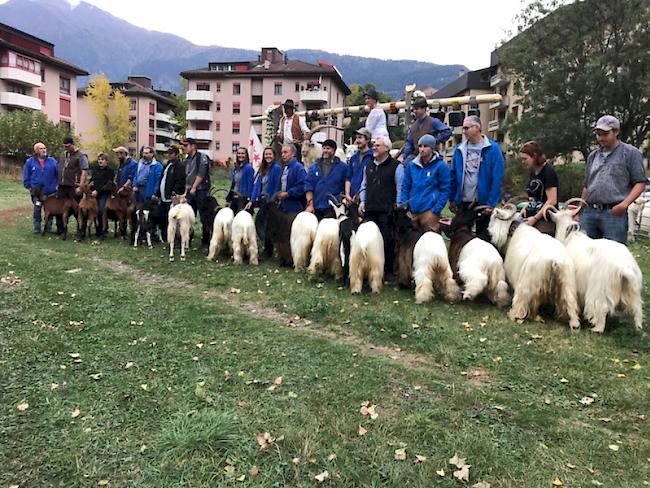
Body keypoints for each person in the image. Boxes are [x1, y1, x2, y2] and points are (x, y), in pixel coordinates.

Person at [580, 115, 648, 244]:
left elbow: (640, 183)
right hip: (590, 212)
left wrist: (624, 205)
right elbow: (587, 185)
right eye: (598, 134)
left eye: (605, 134)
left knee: (614, 255)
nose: (601, 138)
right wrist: (580, 209)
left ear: (616, 132)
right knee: (587, 254)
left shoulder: (630, 153)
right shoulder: (593, 156)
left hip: (614, 213)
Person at [449, 115, 504, 236]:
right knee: (460, 235)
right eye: (463, 128)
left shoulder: (493, 149)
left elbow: (497, 178)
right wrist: (452, 198)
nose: (464, 132)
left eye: (466, 128)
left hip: (483, 203)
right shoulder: (460, 149)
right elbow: (453, 174)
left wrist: (491, 203)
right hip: (463, 202)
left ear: (477, 128)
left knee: (483, 237)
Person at [359, 135, 404, 276]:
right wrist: (362, 201)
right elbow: (364, 186)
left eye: (377, 145)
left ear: (386, 148)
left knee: (387, 241)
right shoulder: (369, 166)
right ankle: (369, 269)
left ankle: (387, 271)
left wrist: (398, 206)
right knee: (370, 240)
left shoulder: (397, 167)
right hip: (370, 210)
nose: (374, 147)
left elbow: (400, 187)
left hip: (387, 211)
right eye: (374, 145)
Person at [400, 134, 451, 232]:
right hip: (412, 212)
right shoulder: (411, 166)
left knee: (430, 243)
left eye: (425, 146)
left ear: (432, 148)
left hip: (429, 212)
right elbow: (405, 187)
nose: (422, 149)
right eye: (420, 146)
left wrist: (436, 209)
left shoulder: (441, 166)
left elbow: (445, 189)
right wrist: (405, 208)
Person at [399, 97, 452, 164]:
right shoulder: (413, 126)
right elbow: (409, 143)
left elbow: (447, 131)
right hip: (416, 158)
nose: (415, 111)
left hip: (431, 158)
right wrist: (403, 156)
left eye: (417, 109)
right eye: (414, 109)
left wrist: (434, 140)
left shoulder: (433, 122)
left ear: (424, 109)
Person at [250, 147, 283, 257]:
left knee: (268, 225)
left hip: (271, 201)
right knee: (260, 223)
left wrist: (273, 199)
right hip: (263, 200)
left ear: (274, 156)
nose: (268, 156)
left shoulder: (277, 168)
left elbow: (277, 185)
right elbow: (257, 185)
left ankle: (269, 250)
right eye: (266, 154)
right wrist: (252, 200)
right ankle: (268, 246)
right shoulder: (263, 169)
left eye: (270, 154)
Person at [305, 139, 348, 219]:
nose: (325, 151)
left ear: (334, 151)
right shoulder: (314, 167)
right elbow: (308, 186)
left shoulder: (343, 168)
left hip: (334, 209)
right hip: (316, 208)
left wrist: (344, 202)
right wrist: (310, 205)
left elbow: (347, 185)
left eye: (328, 148)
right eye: (324, 148)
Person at [519, 141, 558, 226]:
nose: (523, 162)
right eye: (521, 159)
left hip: (544, 220)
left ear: (535, 156)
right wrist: (525, 208)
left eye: (525, 159)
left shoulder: (548, 172)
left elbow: (552, 200)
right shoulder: (533, 172)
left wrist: (535, 218)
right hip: (530, 218)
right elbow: (533, 198)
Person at [22, 142, 58, 233]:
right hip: (37, 192)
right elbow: (26, 176)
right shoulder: (30, 162)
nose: (44, 150)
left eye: (44, 148)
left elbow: (58, 174)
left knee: (50, 211)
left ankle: (48, 228)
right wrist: (29, 187)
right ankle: (37, 228)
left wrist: (57, 185)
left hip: (51, 192)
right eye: (41, 148)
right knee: (37, 209)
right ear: (36, 150)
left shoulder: (53, 161)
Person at [183, 137, 212, 244]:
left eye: (186, 146)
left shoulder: (202, 157)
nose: (184, 148)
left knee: (204, 216)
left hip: (201, 190)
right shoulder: (187, 159)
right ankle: (188, 238)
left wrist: (194, 187)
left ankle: (206, 239)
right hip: (190, 191)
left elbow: (201, 173)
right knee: (189, 215)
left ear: (193, 146)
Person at [157, 146, 186, 241]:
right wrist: (157, 193)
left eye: (171, 154)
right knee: (163, 218)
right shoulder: (167, 165)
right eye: (168, 153)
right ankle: (165, 237)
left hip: (172, 198)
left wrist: (175, 192)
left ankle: (176, 238)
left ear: (177, 155)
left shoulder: (180, 166)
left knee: (174, 219)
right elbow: (162, 180)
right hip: (163, 197)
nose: (168, 155)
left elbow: (180, 181)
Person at [89, 152, 115, 237]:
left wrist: (97, 191)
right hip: (93, 194)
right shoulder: (96, 170)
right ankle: (98, 229)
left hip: (104, 194)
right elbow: (92, 181)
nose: (100, 161)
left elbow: (107, 184)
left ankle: (103, 230)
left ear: (106, 161)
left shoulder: (110, 171)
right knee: (95, 212)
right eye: (99, 159)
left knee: (101, 210)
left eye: (102, 160)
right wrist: (90, 187)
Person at [344, 127, 374, 201]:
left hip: (368, 199)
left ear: (367, 140)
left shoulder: (373, 157)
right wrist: (347, 194)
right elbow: (348, 178)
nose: (357, 140)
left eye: (360, 138)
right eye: (356, 138)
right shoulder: (353, 158)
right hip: (352, 198)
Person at [277, 143, 306, 214]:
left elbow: (302, 186)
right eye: (282, 153)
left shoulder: (299, 168)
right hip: (284, 204)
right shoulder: (285, 168)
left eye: (285, 152)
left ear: (293, 154)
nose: (283, 155)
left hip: (295, 205)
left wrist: (288, 193)